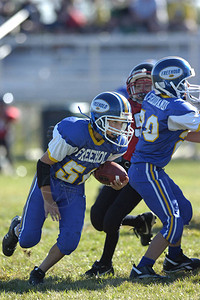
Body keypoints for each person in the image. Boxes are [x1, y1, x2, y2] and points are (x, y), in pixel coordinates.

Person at [2, 91, 133, 286]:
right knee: (27, 240)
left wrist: (115, 184)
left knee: (69, 242)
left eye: (121, 123)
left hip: (74, 189)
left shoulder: (116, 145)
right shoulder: (75, 133)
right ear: (99, 119)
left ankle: (39, 271)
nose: (119, 128)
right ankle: (17, 228)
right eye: (114, 122)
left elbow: (98, 169)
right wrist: (48, 199)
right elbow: (43, 164)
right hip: (49, 182)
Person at [128, 56, 200, 279]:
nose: (187, 87)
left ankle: (174, 258)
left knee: (184, 211)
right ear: (171, 82)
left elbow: (180, 128)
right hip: (147, 169)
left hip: (150, 168)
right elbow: (190, 122)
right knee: (174, 221)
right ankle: (143, 268)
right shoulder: (177, 107)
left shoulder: (153, 96)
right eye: (183, 82)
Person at [84, 61, 157, 277]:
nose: (143, 90)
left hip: (144, 170)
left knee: (112, 219)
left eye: (149, 85)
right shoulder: (125, 105)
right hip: (122, 164)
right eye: (139, 85)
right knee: (98, 219)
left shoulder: (163, 108)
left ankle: (105, 264)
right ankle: (139, 221)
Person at [0, 94, 20, 172]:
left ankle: (11, 168)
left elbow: (15, 118)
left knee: (8, 152)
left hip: (5, 136)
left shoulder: (7, 114)